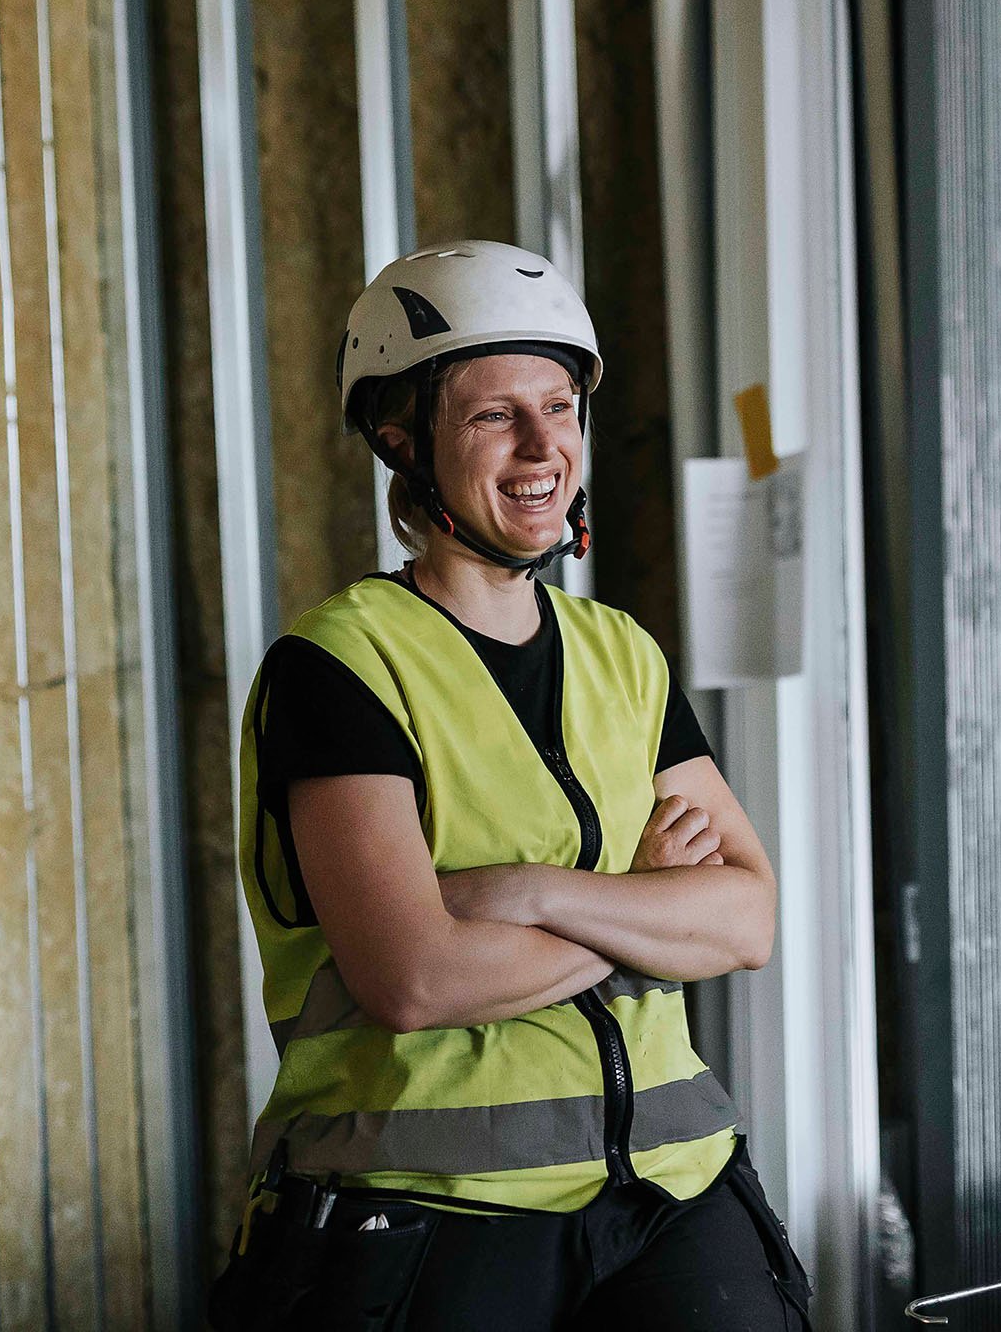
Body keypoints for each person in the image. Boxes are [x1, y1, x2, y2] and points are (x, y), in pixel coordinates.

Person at [208, 240, 812, 1330]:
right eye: (495, 417)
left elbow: (751, 916)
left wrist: (534, 890)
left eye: (561, 407)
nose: (545, 447)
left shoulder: (622, 653)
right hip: (431, 1215)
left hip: (673, 1192)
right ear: (402, 439)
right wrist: (645, 903)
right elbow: (417, 979)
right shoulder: (341, 667)